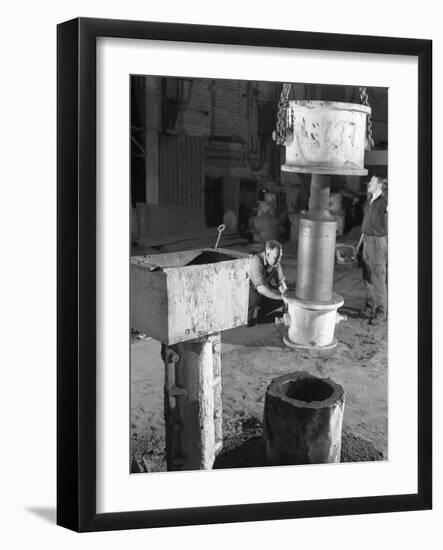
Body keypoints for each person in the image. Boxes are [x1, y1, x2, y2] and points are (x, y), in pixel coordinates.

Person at [356, 175, 388, 326]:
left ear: (380, 185)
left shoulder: (385, 202)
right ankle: (370, 307)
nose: (369, 183)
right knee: (367, 276)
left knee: (378, 279)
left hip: (378, 243)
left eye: (373, 182)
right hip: (367, 241)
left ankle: (381, 313)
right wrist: (360, 242)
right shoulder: (370, 201)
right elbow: (367, 223)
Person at [248, 240, 287, 326]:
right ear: (267, 254)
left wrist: (286, 296)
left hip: (262, 287)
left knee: (283, 298)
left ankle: (261, 313)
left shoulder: (276, 262)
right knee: (255, 298)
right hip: (249, 289)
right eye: (276, 257)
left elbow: (280, 282)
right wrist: (280, 297)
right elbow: (261, 289)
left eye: (280, 256)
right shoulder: (256, 261)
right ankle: (247, 319)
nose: (279, 260)